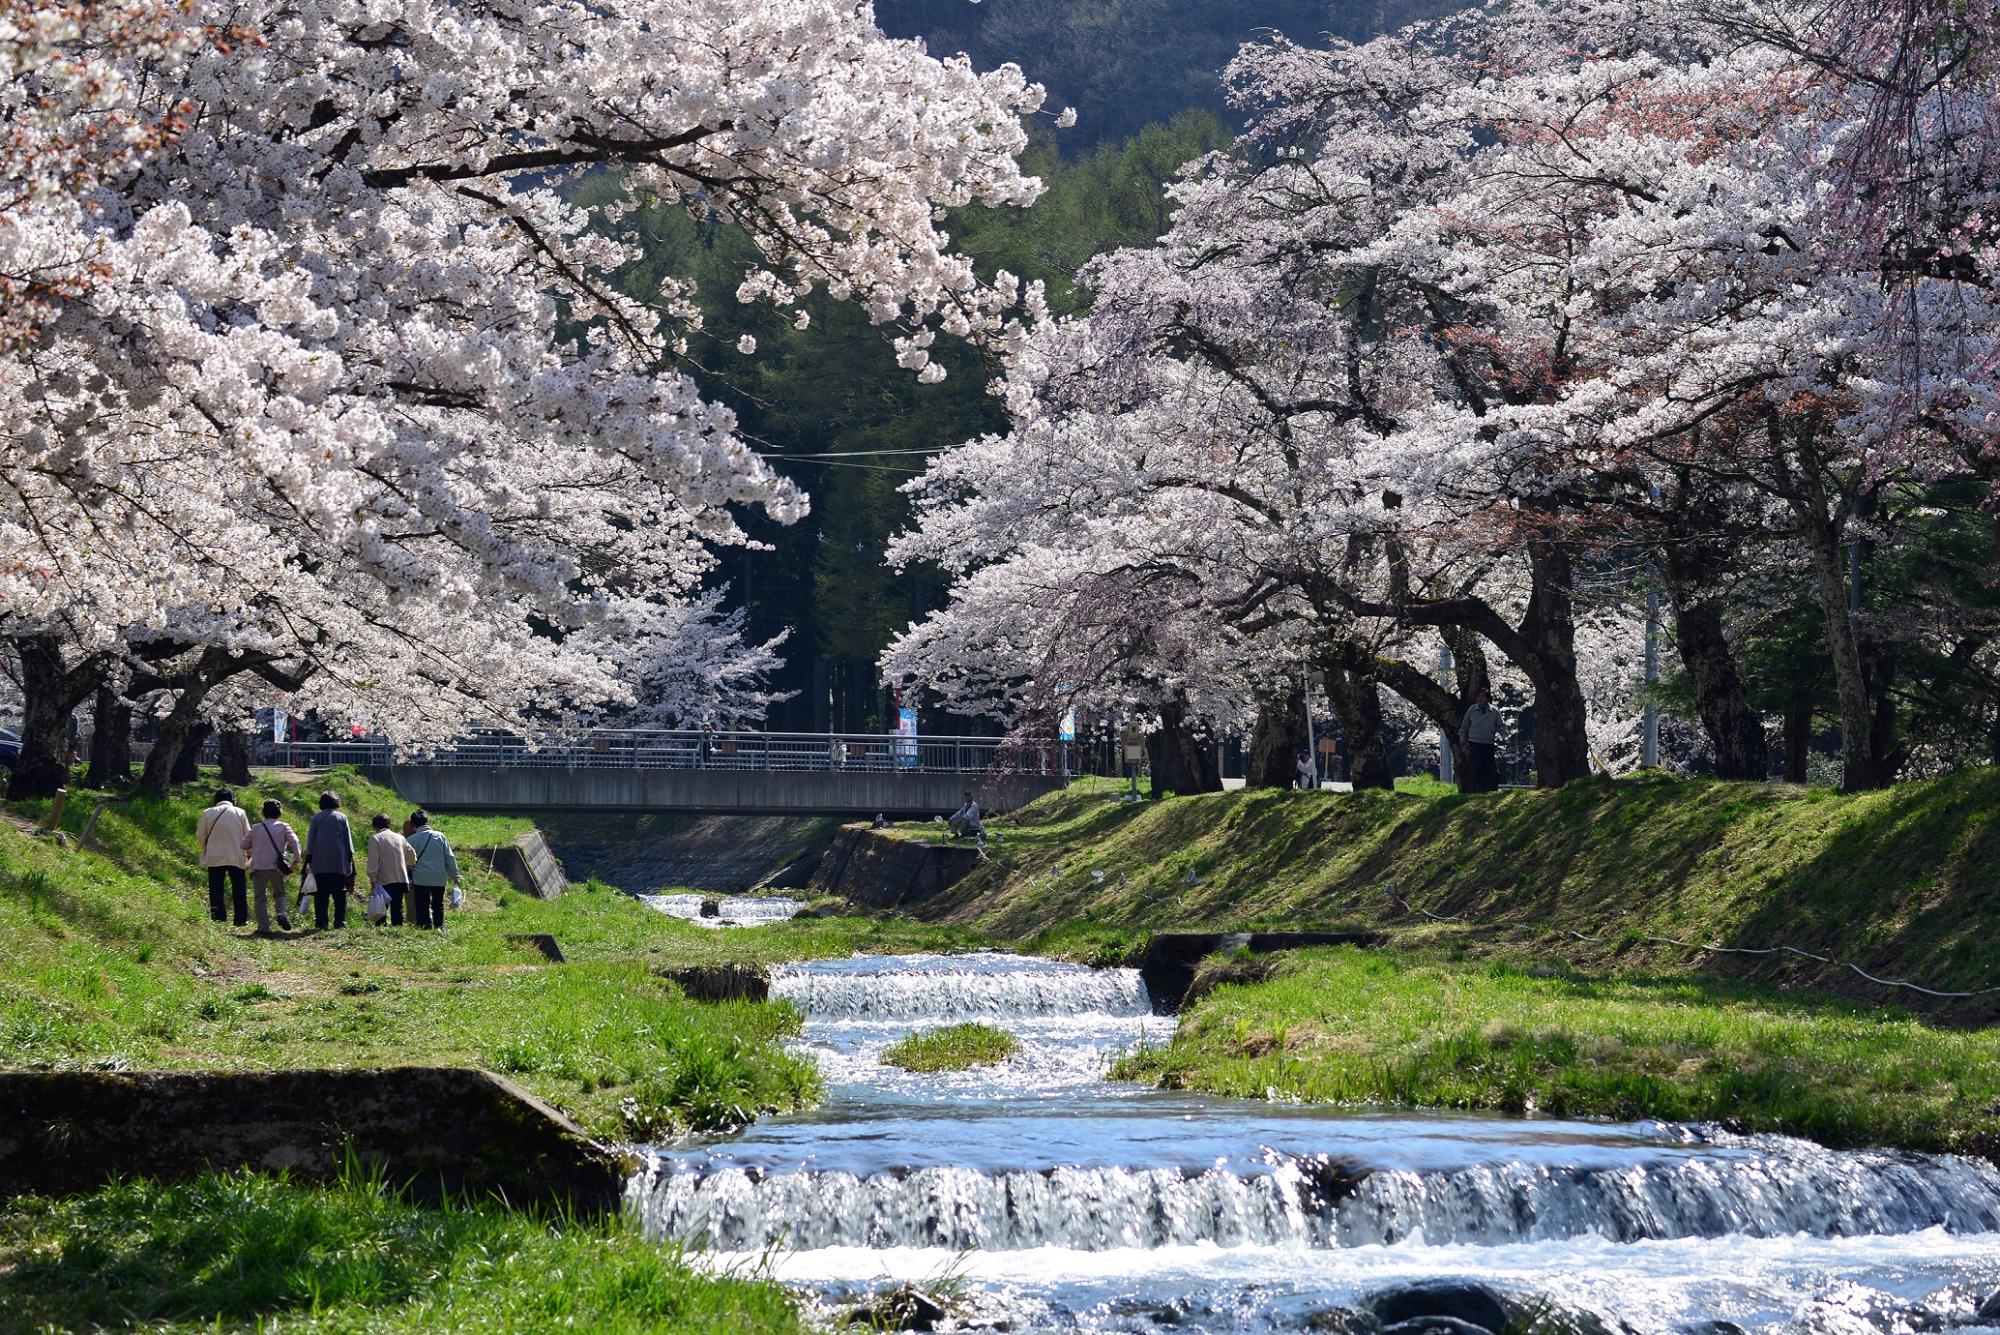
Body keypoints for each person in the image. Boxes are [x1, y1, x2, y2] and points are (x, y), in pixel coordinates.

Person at [195, 788, 251, 926]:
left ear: (216, 800)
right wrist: (249, 854)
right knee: (239, 888)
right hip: (236, 855)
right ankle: (240, 919)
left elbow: (200, 835)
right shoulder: (240, 813)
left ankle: (218, 918)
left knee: (216, 888)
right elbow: (248, 835)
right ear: (233, 800)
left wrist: (206, 847)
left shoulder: (208, 813)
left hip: (215, 855)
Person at [243, 798, 300, 934]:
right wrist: (296, 859)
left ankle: (263, 927)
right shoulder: (284, 826)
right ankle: (281, 914)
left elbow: (243, 844)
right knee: (280, 893)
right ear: (279, 812)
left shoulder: (256, 828)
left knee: (260, 897)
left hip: (259, 867)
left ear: (263, 812)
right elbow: (295, 842)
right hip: (277, 867)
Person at [302, 790, 355, 929]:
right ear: (336, 802)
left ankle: (322, 922)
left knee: (321, 894)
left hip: (320, 861)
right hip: (339, 861)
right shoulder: (342, 818)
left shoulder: (316, 818)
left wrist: (309, 859)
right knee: (339, 894)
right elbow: (348, 841)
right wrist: (350, 859)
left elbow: (311, 841)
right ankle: (339, 921)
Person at [405, 809, 460, 931]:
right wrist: (456, 877)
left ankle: (424, 928)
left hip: (420, 878)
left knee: (422, 905)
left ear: (413, 825)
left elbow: (407, 862)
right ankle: (440, 927)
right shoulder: (440, 836)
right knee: (438, 905)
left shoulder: (411, 840)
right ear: (427, 822)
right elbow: (449, 858)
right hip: (438, 878)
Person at [365, 813, 417, 927]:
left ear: (375, 826)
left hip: (384, 878)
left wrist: (372, 876)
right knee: (397, 906)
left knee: (382, 906)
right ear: (389, 825)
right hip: (401, 878)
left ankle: (381, 928)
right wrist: (408, 865)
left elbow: (373, 860)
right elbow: (412, 854)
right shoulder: (400, 837)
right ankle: (397, 927)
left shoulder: (375, 838)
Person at [1460, 686, 1502, 793]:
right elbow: (1465, 726)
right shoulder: (1472, 709)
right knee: (1478, 766)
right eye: (1478, 696)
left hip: (1488, 742)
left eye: (1482, 696)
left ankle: (1493, 787)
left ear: (1487, 698)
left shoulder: (1494, 711)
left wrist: (1506, 736)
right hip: (1474, 741)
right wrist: (1463, 739)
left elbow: (1501, 726)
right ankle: (1481, 789)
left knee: (1490, 765)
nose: (1480, 699)